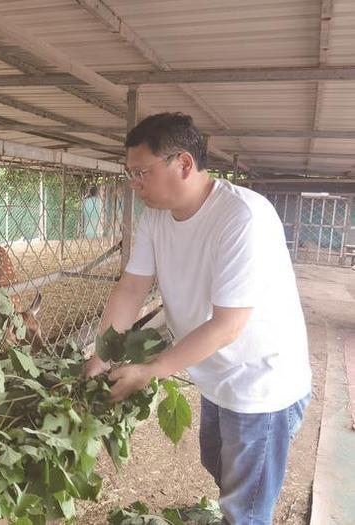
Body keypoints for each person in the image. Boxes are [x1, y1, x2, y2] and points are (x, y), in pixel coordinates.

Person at [85, 113, 311, 525]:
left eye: (142, 172)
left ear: (184, 164)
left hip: (261, 383)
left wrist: (150, 371)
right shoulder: (156, 215)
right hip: (216, 374)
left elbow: (229, 325)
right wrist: (100, 359)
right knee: (219, 467)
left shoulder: (241, 218)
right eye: (131, 173)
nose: (135, 184)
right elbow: (132, 288)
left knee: (246, 508)